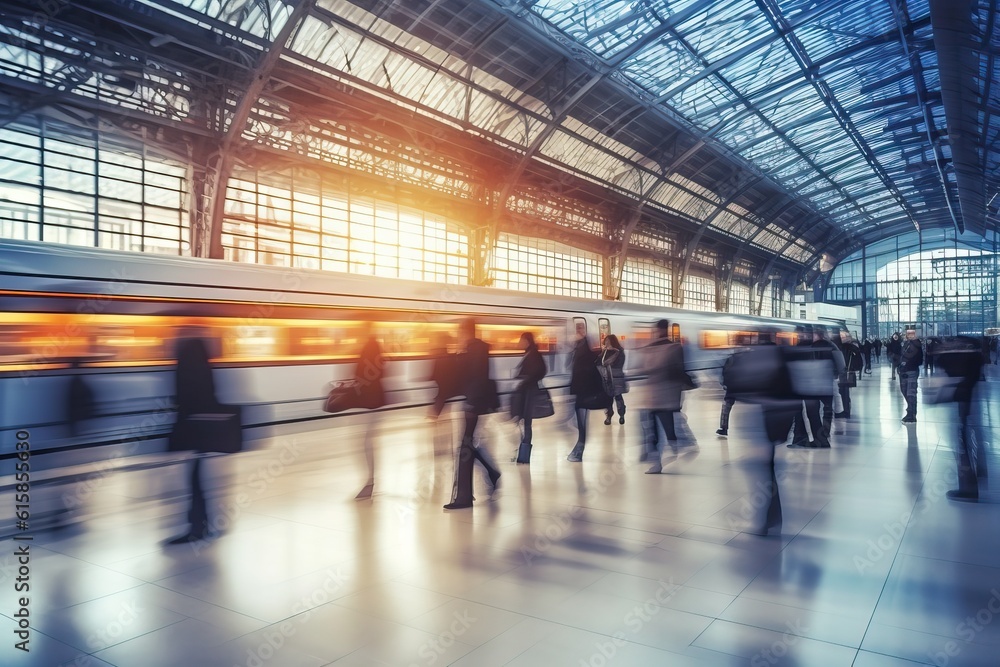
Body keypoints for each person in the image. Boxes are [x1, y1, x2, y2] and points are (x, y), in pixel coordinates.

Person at [444, 318, 501, 509]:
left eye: (460, 331)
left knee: (464, 449)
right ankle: (492, 474)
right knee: (467, 447)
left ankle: (464, 498)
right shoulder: (476, 348)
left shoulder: (474, 349)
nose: (458, 334)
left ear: (466, 331)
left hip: (473, 404)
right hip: (475, 403)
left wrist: (470, 403)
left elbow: (475, 377)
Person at [934, 337, 986, 501]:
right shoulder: (976, 358)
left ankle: (968, 488)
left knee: (962, 443)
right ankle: (978, 474)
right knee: (969, 439)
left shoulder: (963, 360)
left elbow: (942, 363)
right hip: (968, 404)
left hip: (961, 404)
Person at [640, 319, 691, 473]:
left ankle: (658, 460)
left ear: (658, 330)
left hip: (653, 395)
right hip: (667, 394)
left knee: (653, 428)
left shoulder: (650, 348)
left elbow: (645, 368)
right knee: (665, 425)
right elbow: (679, 370)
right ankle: (676, 445)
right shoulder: (675, 347)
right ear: (667, 329)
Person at [353, 323, 386, 499]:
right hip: (372, 400)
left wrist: (358, 382)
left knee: (367, 441)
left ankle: (370, 481)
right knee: (367, 441)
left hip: (371, 401)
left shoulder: (371, 346)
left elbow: (371, 372)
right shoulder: (373, 345)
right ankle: (370, 480)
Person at [566, 323, 606, 462]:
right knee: (580, 425)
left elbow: (582, 374)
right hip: (583, 393)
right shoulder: (583, 353)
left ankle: (578, 453)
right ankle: (577, 452)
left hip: (584, 393)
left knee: (582, 425)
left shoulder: (583, 355)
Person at [511, 332, 546, 464]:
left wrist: (525, 381)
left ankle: (524, 455)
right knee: (524, 422)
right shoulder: (530, 352)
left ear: (527, 341)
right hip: (526, 391)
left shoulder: (533, 354)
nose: (519, 343)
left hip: (529, 393)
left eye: (521, 340)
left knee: (526, 423)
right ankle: (522, 453)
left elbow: (540, 371)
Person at [598, 334, 627, 426]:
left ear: (612, 342)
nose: (606, 343)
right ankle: (609, 416)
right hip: (607, 377)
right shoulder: (605, 351)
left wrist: (609, 363)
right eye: (605, 341)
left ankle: (621, 415)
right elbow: (598, 362)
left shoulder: (619, 351)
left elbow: (619, 364)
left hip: (616, 377)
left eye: (608, 341)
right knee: (608, 398)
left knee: (618, 397)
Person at [898, 328, 922, 423]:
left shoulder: (916, 344)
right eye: (908, 334)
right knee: (904, 390)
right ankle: (910, 412)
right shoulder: (907, 343)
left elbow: (912, 356)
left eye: (912, 334)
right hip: (904, 370)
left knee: (910, 393)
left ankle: (911, 415)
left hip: (911, 370)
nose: (910, 335)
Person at [836, 333, 862, 418]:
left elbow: (858, 361)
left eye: (843, 337)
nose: (842, 338)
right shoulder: (848, 347)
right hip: (845, 372)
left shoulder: (849, 348)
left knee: (844, 392)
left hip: (846, 372)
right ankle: (844, 410)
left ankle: (846, 411)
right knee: (843, 392)